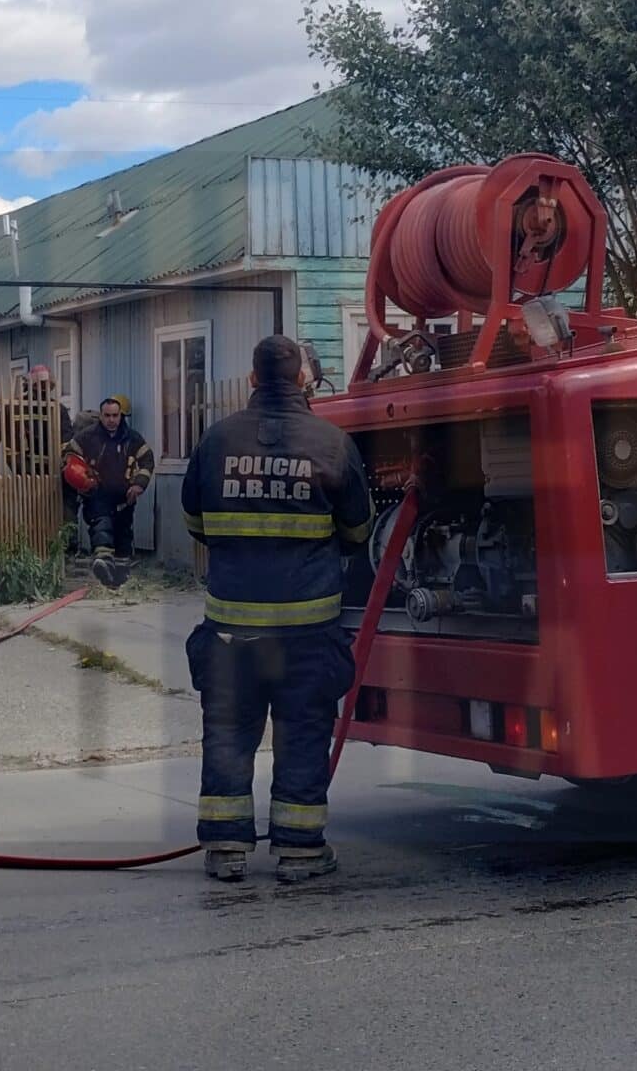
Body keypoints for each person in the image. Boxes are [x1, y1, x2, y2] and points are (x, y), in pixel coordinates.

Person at [180, 335, 375, 883]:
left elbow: (195, 521)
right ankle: (300, 852)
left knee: (227, 733)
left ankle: (225, 849)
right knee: (303, 733)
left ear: (250, 379)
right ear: (304, 381)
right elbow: (359, 531)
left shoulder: (216, 441)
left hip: (230, 632)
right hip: (306, 631)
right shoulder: (332, 443)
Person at [65, 394, 154, 588]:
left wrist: (139, 484)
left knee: (123, 538)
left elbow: (147, 461)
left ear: (121, 416)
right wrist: (79, 474)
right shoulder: (87, 436)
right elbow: (70, 454)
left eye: (115, 415)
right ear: (101, 416)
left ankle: (117, 581)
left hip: (124, 497)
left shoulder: (133, 438)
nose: (111, 420)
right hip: (97, 494)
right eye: (107, 416)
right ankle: (103, 561)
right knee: (101, 525)